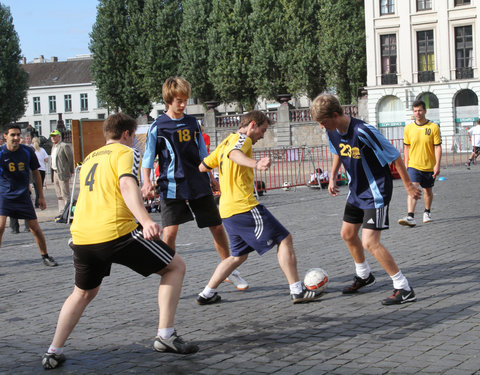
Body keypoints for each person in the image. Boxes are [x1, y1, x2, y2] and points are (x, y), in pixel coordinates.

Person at [42, 113, 198, 370]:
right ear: (126, 134)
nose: (135, 142)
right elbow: (125, 185)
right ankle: (166, 336)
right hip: (115, 232)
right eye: (134, 136)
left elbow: (105, 191)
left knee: (83, 293)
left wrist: (140, 193)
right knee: (175, 267)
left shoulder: (92, 157)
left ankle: (53, 350)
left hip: (82, 235)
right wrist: (146, 220)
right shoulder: (126, 153)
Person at [196, 110, 319, 305]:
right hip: (244, 206)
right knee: (284, 238)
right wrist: (256, 164)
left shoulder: (224, 142)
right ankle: (297, 290)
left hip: (227, 210)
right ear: (252, 125)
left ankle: (206, 293)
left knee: (238, 256)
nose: (262, 136)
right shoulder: (241, 139)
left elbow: (202, 167)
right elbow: (234, 154)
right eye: (262, 130)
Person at [310, 94, 421, 305]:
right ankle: (364, 275)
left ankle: (404, 287)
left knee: (370, 242)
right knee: (348, 234)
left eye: (324, 122)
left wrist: (408, 185)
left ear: (335, 114)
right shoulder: (332, 131)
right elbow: (337, 151)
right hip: (356, 190)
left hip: (375, 192)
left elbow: (394, 155)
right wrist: (332, 176)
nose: (323, 127)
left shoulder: (363, 131)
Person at [141, 76, 248, 291]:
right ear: (168, 100)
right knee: (170, 233)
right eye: (179, 100)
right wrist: (146, 181)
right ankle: (168, 274)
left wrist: (212, 177)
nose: (183, 105)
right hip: (171, 185)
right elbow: (148, 158)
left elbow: (203, 152)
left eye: (185, 100)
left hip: (197, 181)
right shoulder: (157, 127)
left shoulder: (193, 123)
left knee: (217, 227)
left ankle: (228, 270)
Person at [0, 125, 58, 267]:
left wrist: (41, 196)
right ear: (5, 136)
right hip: (4, 196)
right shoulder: (1, 153)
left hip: (23, 196)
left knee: (35, 228)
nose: (16, 138)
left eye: (18, 135)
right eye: (13, 135)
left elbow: (36, 173)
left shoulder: (27, 151)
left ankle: (45, 256)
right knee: (0, 228)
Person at [398, 100, 442, 227]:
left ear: (425, 111)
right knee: (413, 188)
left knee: (428, 191)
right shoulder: (408, 128)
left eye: (420, 110)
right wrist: (406, 165)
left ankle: (427, 212)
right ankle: (410, 216)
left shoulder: (433, 127)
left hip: (429, 165)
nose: (418, 113)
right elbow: (406, 147)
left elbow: (437, 147)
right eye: (415, 111)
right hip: (413, 165)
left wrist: (437, 165)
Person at [49, 129, 74, 218]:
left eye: (55, 136)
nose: (53, 138)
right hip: (55, 172)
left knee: (65, 193)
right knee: (58, 193)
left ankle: (68, 211)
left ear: (59, 137)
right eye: (52, 136)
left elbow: (70, 159)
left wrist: (71, 171)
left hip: (62, 172)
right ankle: (61, 211)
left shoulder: (64, 146)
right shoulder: (53, 146)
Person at [32, 137, 49, 208]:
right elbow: (46, 159)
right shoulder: (42, 150)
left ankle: (36, 202)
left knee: (35, 187)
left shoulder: (31, 150)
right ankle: (39, 200)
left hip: (34, 169)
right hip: (42, 169)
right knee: (40, 186)